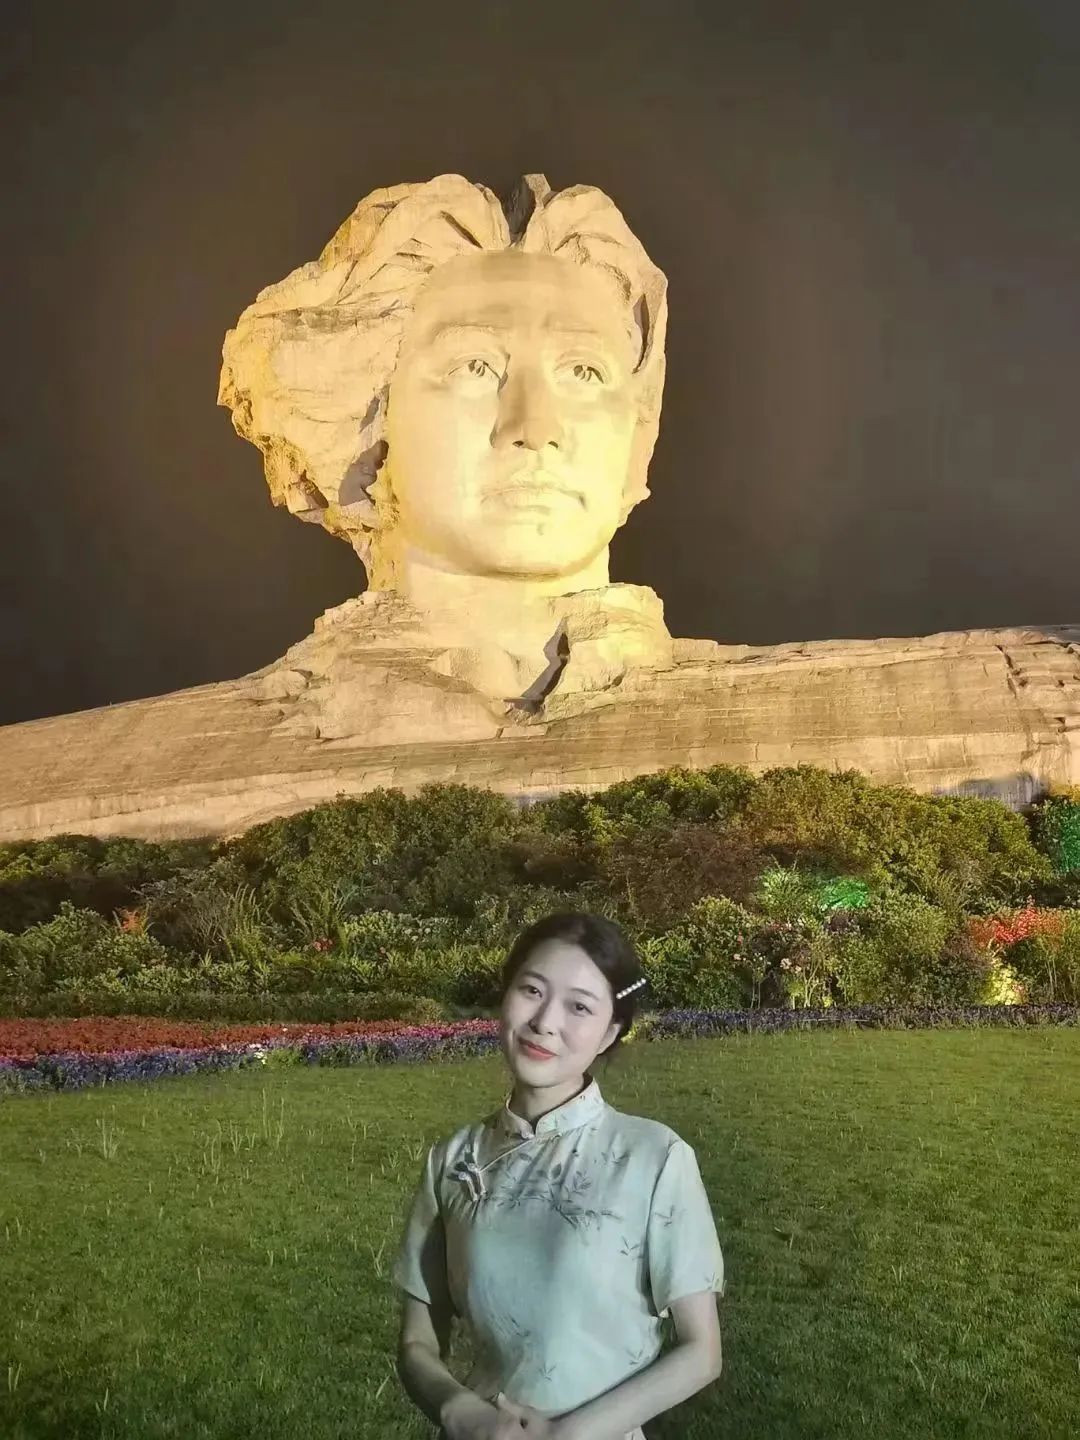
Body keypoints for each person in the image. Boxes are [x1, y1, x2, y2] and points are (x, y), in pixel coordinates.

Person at [393, 911, 725, 1440]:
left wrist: (564, 1434)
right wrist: (458, 1410)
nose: (545, 1021)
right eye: (532, 990)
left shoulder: (654, 1157)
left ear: (609, 1032)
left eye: (579, 1006)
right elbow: (417, 1342)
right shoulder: (454, 1160)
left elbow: (701, 1350)